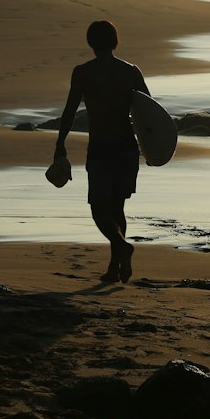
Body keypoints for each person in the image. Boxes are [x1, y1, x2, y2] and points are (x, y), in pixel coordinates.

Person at [53, 20, 149, 283]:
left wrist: (60, 143)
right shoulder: (130, 71)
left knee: (98, 207)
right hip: (127, 148)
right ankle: (114, 267)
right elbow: (148, 112)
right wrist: (152, 149)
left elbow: (70, 111)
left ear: (90, 42)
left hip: (101, 147)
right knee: (117, 207)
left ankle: (120, 248)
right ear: (115, 41)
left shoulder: (83, 73)